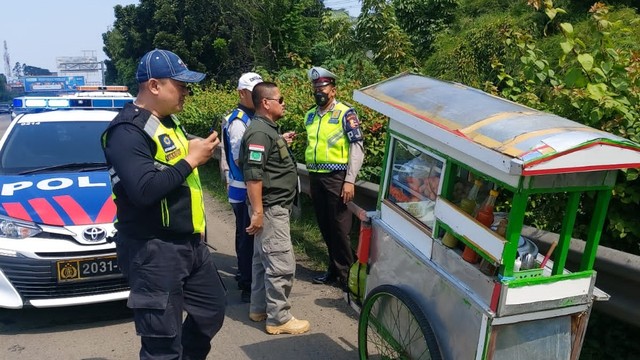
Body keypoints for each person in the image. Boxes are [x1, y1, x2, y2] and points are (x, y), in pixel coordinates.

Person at [102, 49, 226, 360]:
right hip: (153, 250)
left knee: (211, 311)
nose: (186, 90)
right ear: (154, 86)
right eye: (180, 84)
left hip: (190, 245)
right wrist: (191, 160)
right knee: (162, 341)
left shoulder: (169, 122)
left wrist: (198, 148)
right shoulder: (126, 131)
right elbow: (143, 190)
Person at [240, 81, 310, 335]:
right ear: (266, 103)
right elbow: (253, 175)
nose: (284, 103)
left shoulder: (266, 131)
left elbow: (264, 160)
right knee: (281, 263)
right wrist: (258, 212)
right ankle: (279, 318)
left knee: (261, 260)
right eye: (280, 99)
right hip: (270, 209)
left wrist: (280, 141)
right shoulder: (260, 133)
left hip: (267, 208)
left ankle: (259, 308)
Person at [304, 66, 365, 291]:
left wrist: (350, 180)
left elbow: (357, 148)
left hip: (337, 177)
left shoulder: (345, 113)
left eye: (322, 87)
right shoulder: (310, 115)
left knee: (340, 228)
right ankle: (333, 270)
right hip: (316, 177)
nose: (318, 90)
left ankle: (349, 278)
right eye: (315, 87)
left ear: (333, 90)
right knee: (325, 226)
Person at [218, 72, 263, 303]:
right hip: (243, 188)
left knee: (248, 236)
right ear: (242, 93)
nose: (257, 96)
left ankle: (246, 276)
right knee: (247, 237)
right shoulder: (238, 121)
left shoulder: (251, 116)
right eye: (252, 91)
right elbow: (239, 158)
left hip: (247, 187)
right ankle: (247, 283)